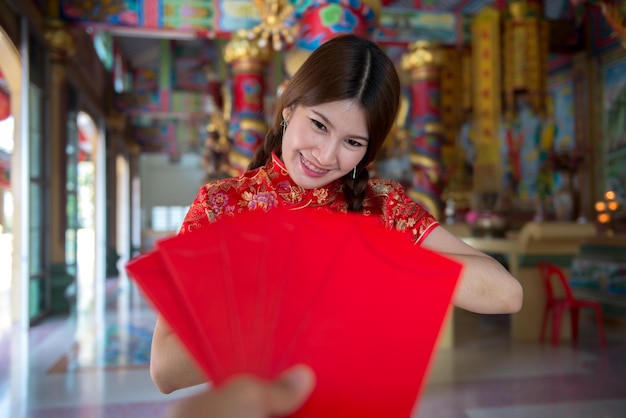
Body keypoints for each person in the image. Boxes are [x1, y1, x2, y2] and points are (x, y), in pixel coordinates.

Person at [150, 33, 523, 402]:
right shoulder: (223, 205)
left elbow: (507, 294)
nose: (327, 156)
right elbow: (165, 369)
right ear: (289, 109)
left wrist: (377, 260)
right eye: (319, 125)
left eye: (352, 142)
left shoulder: (383, 206)